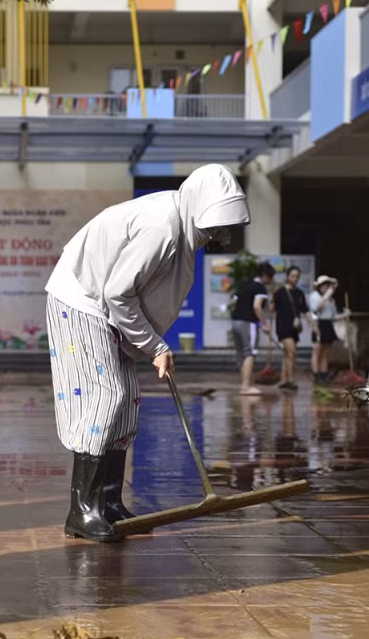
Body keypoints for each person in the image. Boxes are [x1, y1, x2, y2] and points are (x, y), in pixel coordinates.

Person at [45, 164, 250, 543]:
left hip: (107, 306)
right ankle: (82, 511)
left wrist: (150, 343)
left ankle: (109, 503)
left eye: (223, 226)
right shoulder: (163, 227)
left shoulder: (181, 224)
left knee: (126, 404)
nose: (217, 235)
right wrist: (155, 346)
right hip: (81, 298)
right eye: (215, 224)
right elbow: (117, 293)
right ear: (198, 208)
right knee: (105, 397)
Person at [230, 261, 275, 394]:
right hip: (248, 323)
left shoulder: (244, 285)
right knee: (249, 353)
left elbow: (233, 302)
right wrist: (264, 324)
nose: (270, 281)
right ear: (266, 276)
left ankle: (246, 384)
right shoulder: (260, 288)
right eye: (270, 277)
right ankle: (246, 387)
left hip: (236, 322)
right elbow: (257, 306)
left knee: (241, 354)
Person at [271, 266, 309, 391]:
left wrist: (313, 324)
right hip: (283, 326)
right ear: (287, 276)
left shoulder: (299, 293)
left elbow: (305, 310)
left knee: (287, 354)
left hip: (294, 328)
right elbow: (272, 308)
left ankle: (283, 380)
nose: (295, 278)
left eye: (297, 276)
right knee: (292, 352)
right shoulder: (280, 292)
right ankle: (291, 380)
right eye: (293, 276)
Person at [308, 274, 346, 384]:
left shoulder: (331, 300)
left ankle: (324, 374)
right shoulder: (314, 296)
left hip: (328, 324)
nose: (326, 287)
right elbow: (316, 309)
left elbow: (333, 316)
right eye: (324, 285)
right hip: (318, 323)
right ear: (319, 286)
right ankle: (316, 375)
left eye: (327, 285)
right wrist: (326, 296)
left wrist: (345, 315)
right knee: (317, 351)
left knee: (325, 352)